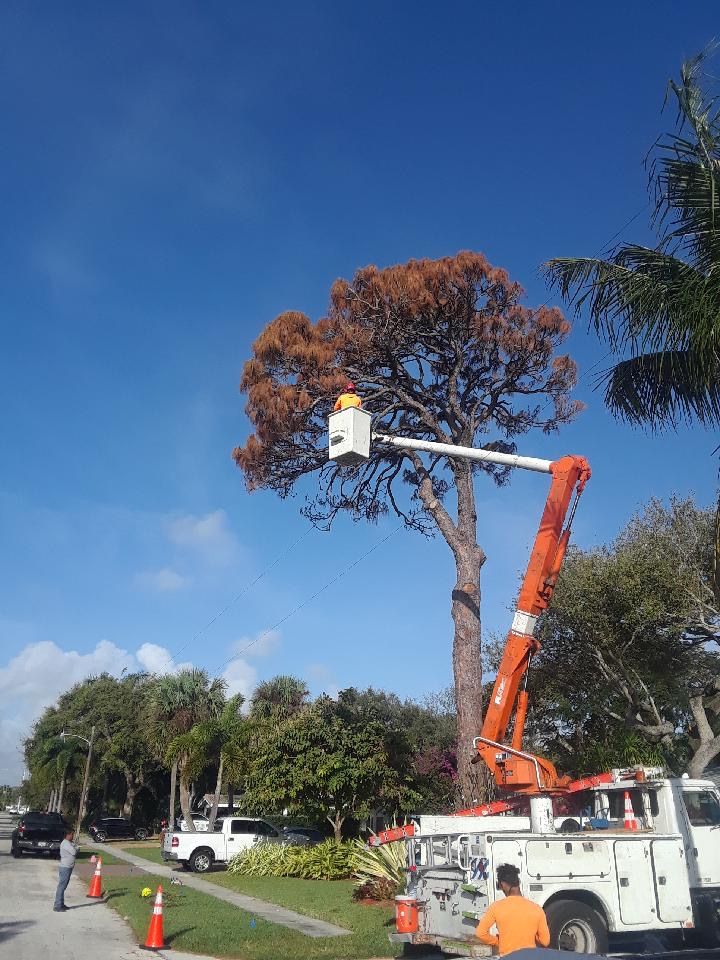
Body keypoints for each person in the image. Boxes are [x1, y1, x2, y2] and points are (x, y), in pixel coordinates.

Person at [476, 863, 550, 955]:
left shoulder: (496, 907)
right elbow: (545, 941)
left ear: (502, 884)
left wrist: (498, 942)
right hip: (530, 956)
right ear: (518, 882)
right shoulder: (537, 909)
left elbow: (480, 933)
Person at [54, 829, 77, 912]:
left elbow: (75, 848)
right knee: (61, 886)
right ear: (68, 835)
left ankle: (61, 904)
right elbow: (74, 851)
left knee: (63, 887)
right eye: (72, 834)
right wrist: (76, 848)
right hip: (65, 867)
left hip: (68, 867)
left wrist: (75, 847)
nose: (73, 836)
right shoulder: (66, 843)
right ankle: (57, 905)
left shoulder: (69, 843)